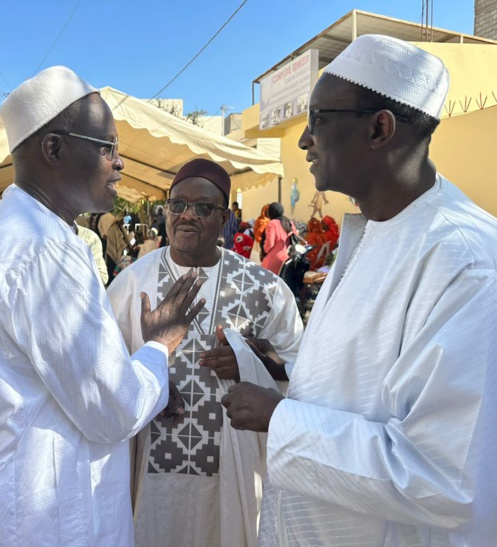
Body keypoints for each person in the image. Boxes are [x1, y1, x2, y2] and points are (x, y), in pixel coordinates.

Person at [222, 34, 497, 546]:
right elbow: (362, 389)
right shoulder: (371, 233)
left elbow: (444, 478)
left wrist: (281, 419)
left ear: (379, 128)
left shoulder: (464, 261)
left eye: (320, 120)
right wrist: (280, 374)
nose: (304, 140)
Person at [0, 66, 206, 547]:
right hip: (45, 524)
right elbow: (113, 407)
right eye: (107, 147)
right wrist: (159, 347)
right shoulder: (41, 248)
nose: (120, 163)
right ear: (54, 149)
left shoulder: (19, 231)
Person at [108, 158, 303, 547]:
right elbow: (102, 370)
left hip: (234, 473)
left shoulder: (264, 289)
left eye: (204, 208)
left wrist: (253, 364)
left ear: (226, 216)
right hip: (149, 469)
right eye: (177, 205)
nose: (187, 216)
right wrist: (150, 387)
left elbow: (301, 374)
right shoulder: (132, 284)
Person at [261, 202, 297, 275]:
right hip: (288, 259)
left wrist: (264, 250)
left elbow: (269, 243)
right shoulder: (289, 222)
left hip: (274, 260)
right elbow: (295, 235)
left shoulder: (272, 223)